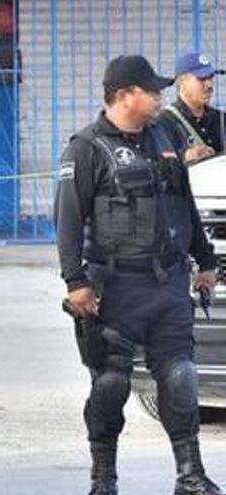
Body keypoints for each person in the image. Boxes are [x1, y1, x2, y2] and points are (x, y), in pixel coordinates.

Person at [54, 55, 220, 495]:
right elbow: (68, 221)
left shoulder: (163, 134)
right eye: (152, 90)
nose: (160, 96)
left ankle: (190, 475)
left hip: (167, 284)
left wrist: (205, 262)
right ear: (125, 96)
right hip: (116, 288)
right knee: (110, 385)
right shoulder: (86, 148)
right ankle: (103, 480)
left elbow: (183, 201)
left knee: (181, 378)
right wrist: (76, 282)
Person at [158, 52, 226, 165]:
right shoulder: (164, 123)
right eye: (202, 79)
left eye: (210, 78)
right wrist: (183, 157)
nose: (209, 85)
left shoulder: (222, 119)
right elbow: (156, 165)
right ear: (181, 82)